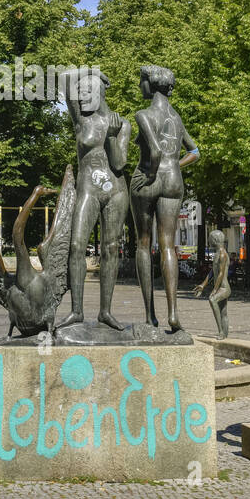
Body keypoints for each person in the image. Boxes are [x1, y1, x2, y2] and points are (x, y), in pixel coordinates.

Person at [56, 67, 130, 331]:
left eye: (89, 90)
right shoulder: (81, 121)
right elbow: (64, 80)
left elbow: (120, 164)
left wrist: (112, 135)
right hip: (88, 186)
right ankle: (76, 311)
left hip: (116, 190)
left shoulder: (121, 123)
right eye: (81, 91)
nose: (83, 95)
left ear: (100, 92)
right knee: (77, 245)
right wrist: (91, 71)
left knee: (111, 248)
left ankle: (106, 312)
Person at [130, 65, 200, 330]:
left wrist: (150, 174)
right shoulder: (177, 119)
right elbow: (195, 152)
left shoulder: (143, 115)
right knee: (168, 246)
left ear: (151, 85)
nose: (140, 87)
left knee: (143, 245)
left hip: (149, 178)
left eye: (141, 82)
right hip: (173, 181)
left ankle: (150, 316)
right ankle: (173, 314)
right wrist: (175, 167)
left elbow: (156, 151)